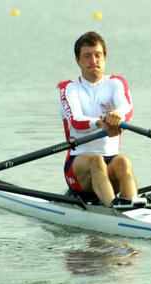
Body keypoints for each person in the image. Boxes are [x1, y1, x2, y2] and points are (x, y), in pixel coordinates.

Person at [59, 31, 137, 207]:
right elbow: (76, 121)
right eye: (87, 56)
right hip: (78, 167)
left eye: (97, 55)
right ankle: (113, 211)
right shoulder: (69, 88)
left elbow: (128, 109)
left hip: (111, 164)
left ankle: (133, 208)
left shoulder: (116, 83)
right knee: (97, 160)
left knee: (124, 161)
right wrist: (100, 123)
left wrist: (118, 115)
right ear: (78, 61)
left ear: (105, 58)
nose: (93, 60)